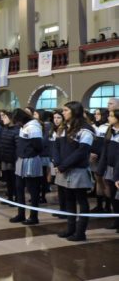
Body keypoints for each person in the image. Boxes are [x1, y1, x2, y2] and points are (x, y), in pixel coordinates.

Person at [54, 102, 95, 241]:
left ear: (74, 112)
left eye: (66, 110)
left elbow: (82, 152)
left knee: (81, 201)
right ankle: (70, 228)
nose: (63, 113)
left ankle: (80, 232)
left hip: (77, 170)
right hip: (64, 169)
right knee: (68, 200)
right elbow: (56, 146)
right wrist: (57, 162)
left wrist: (64, 165)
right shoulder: (64, 127)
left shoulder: (86, 129)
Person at [10, 109, 43, 225]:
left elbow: (38, 146)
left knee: (32, 190)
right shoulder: (23, 127)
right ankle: (21, 213)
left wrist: (28, 153)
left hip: (31, 160)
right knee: (19, 188)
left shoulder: (34, 127)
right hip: (21, 159)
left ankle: (34, 216)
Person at [97, 108, 119, 230]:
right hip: (110, 168)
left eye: (111, 116)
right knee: (112, 195)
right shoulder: (110, 131)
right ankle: (116, 220)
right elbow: (104, 151)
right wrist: (100, 169)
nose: (108, 118)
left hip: (118, 169)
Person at [0, 111, 18, 205]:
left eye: (5, 117)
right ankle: (10, 197)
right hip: (4, 158)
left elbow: (17, 146)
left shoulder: (17, 130)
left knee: (14, 180)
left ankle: (16, 198)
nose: (3, 119)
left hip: (12, 159)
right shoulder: (4, 128)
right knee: (8, 180)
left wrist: (14, 158)